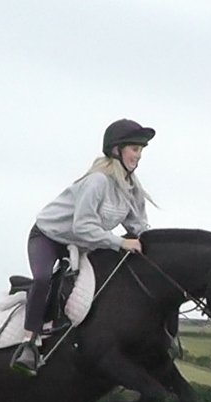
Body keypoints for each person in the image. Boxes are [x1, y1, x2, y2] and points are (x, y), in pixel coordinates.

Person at [9, 118, 157, 376]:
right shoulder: (97, 182)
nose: (139, 155)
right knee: (43, 279)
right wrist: (121, 242)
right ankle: (28, 344)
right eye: (135, 149)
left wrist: (154, 246)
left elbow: (138, 226)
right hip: (49, 237)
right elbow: (83, 226)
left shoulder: (132, 189)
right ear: (116, 150)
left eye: (141, 150)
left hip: (84, 243)